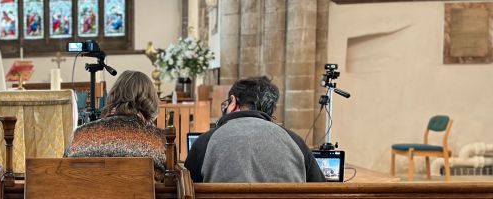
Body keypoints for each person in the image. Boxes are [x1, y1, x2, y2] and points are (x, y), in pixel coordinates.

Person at [184, 76, 326, 183]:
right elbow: (320, 189)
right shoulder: (295, 141)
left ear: (233, 102)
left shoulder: (205, 142)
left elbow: (187, 187)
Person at [66, 71, 167, 173]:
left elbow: (64, 172)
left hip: (86, 188)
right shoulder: (158, 140)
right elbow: (163, 179)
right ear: (150, 101)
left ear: (113, 94)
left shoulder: (80, 134)